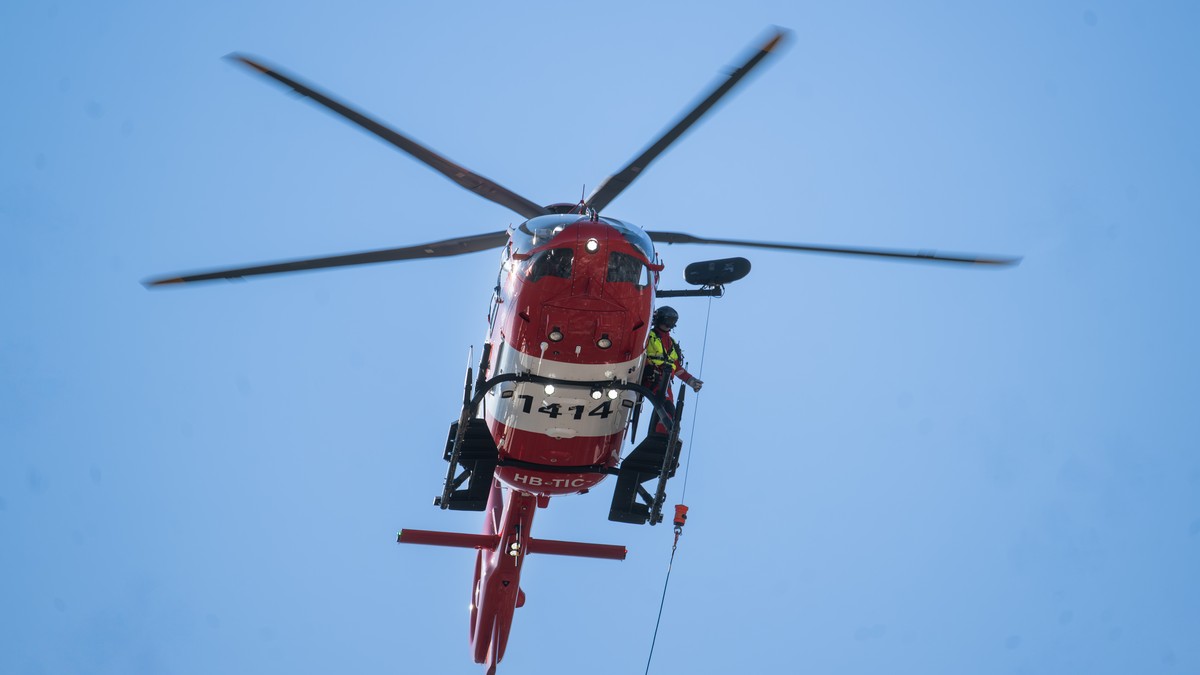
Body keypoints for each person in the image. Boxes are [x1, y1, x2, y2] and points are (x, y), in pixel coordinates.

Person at [642, 306, 703, 435]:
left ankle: (664, 435)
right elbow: (640, 352)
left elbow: (677, 368)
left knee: (670, 410)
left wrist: (691, 381)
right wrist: (647, 367)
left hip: (665, 380)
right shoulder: (648, 335)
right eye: (667, 321)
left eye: (671, 322)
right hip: (651, 376)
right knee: (666, 407)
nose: (668, 325)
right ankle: (662, 436)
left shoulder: (672, 343)